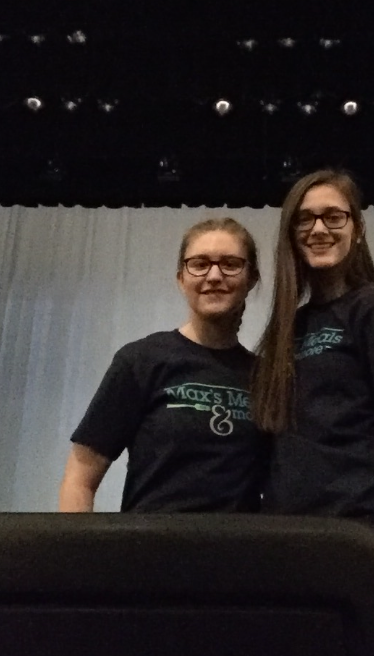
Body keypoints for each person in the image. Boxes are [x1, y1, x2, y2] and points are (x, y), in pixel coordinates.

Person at [251, 169, 374, 589]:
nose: (319, 229)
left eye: (334, 216)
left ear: (358, 228)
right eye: (305, 219)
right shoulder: (289, 327)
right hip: (286, 542)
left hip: (358, 540)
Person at [59, 217, 268, 513]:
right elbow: (79, 479)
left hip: (240, 544)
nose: (214, 275)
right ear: (181, 278)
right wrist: (78, 543)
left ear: (251, 279)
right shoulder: (141, 361)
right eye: (200, 264)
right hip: (150, 542)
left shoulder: (265, 377)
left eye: (230, 264)